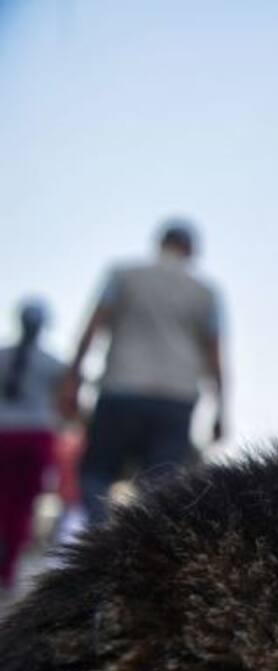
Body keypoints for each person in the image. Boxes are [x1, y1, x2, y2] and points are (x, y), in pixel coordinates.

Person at [61, 220, 227, 524]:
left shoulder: (124, 275)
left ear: (160, 243)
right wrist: (221, 410)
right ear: (191, 251)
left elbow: (92, 328)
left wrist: (72, 380)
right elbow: (216, 356)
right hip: (176, 399)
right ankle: (135, 548)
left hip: (121, 389)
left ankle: (100, 533)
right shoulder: (206, 293)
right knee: (160, 484)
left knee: (96, 473)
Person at [0, 298, 66, 593]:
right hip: (35, 436)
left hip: (4, 433)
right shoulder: (52, 364)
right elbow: (68, 401)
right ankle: (7, 569)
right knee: (22, 504)